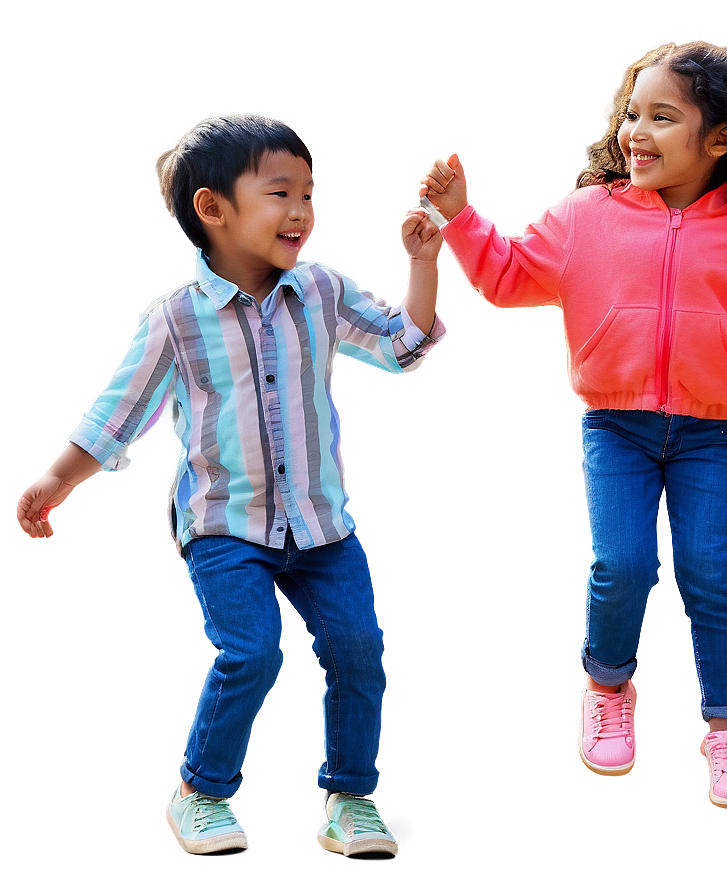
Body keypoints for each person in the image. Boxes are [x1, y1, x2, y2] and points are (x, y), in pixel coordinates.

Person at [419, 41, 727, 808]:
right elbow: (507, 277)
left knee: (711, 574)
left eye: (663, 116)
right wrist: (459, 215)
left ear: (720, 139)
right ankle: (605, 686)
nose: (636, 131)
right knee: (621, 566)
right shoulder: (584, 217)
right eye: (633, 113)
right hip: (615, 427)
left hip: (711, 434)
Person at [16, 113, 445, 854]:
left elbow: (405, 343)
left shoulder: (321, 291)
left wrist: (425, 264)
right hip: (224, 525)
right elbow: (117, 415)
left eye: (310, 194)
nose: (303, 212)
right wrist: (55, 480)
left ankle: (352, 800)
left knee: (360, 648)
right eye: (281, 193)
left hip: (322, 524)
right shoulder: (176, 321)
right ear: (213, 209)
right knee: (250, 653)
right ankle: (201, 792)